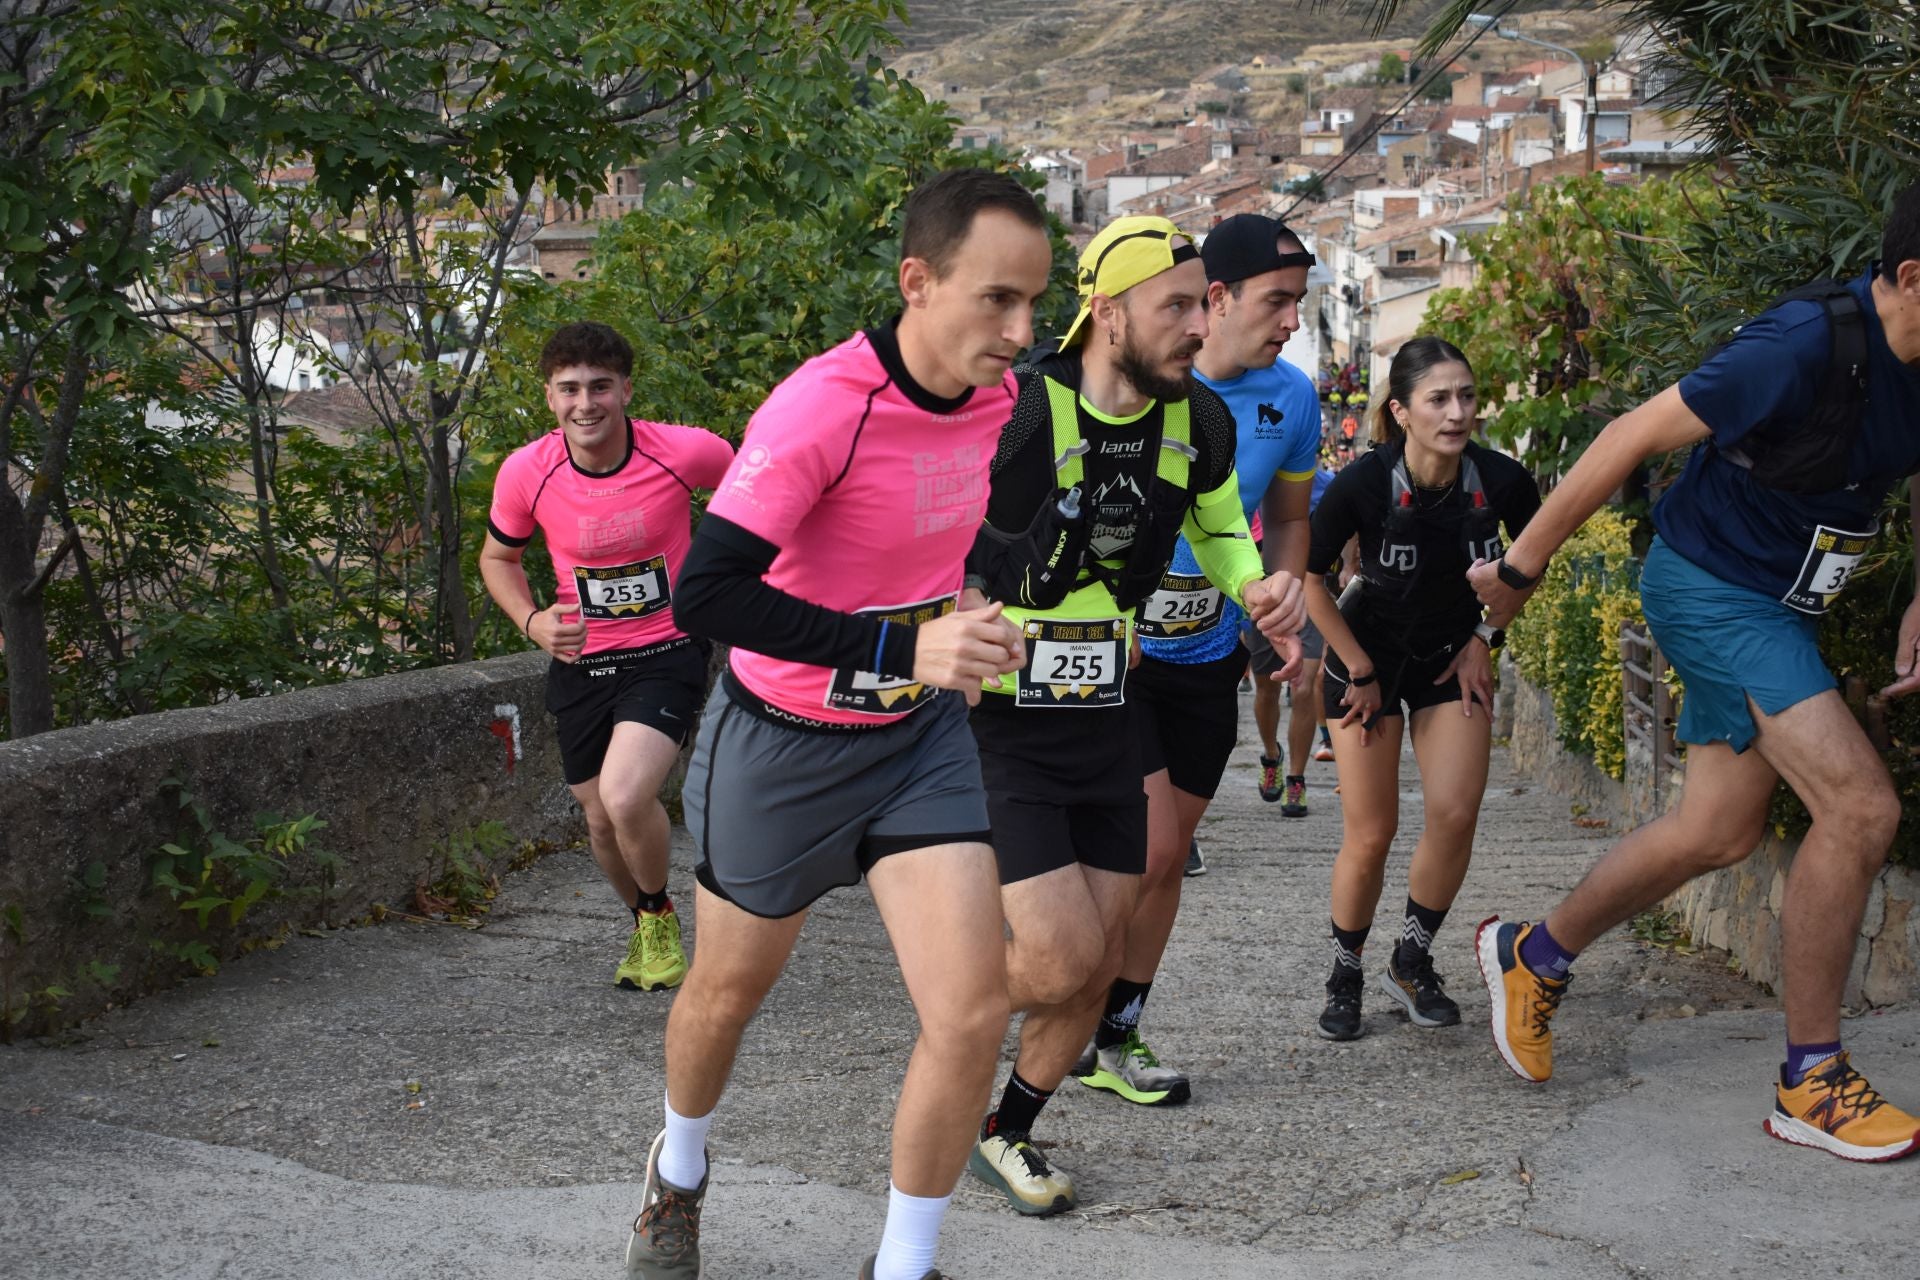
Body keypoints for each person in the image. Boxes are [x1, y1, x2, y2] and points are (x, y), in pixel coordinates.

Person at [621, 168, 1049, 1280]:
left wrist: (965, 610)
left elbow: (961, 533)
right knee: (726, 992)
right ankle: (678, 1171)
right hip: (781, 742)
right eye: (998, 300)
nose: (1021, 330)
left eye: (1034, 303)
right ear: (919, 280)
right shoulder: (825, 404)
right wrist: (906, 645)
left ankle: (903, 1264)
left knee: (972, 1008)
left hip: (916, 741)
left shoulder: (1003, 398)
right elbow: (706, 594)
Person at [1469, 181, 1920, 1162]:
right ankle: (1810, 1077)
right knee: (1861, 808)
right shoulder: (1804, 344)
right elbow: (1628, 434)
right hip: (1712, 586)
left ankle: (1530, 953)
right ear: (1913, 278)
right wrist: (1517, 570)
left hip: (1784, 603)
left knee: (1717, 830)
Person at [963, 213, 1304, 1214]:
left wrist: (1258, 588)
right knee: (1064, 952)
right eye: (1178, 307)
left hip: (1106, 713)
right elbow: (932, 516)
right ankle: (954, 1013)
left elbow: (1221, 527)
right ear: (1106, 311)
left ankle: (1007, 1126)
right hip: (1004, 722)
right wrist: (950, 609)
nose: (1200, 326)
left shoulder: (1200, 422)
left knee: (1102, 958)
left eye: (1203, 304)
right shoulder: (1021, 412)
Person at [1067, 212, 1318, 1111]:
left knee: (1164, 865)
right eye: (1277, 300)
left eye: (1300, 301)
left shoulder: (1292, 398)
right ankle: (1065, 1016)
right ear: (1215, 300)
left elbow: (1285, 521)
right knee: (1150, 846)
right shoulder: (1124, 384)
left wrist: (1281, 591)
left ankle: (1116, 1036)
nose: (1292, 319)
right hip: (1114, 657)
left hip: (1208, 649)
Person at [479, 322, 733, 993]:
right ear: (549, 397)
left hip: (667, 650)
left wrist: (727, 584)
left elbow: (761, 501)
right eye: (569, 388)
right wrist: (532, 620)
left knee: (625, 796)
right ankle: (648, 916)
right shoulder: (527, 471)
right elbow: (498, 557)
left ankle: (656, 921)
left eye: (599, 386)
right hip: (582, 661)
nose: (585, 402)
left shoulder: (686, 452)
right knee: (597, 818)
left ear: (625, 389)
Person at [1305, 336, 1540, 1041]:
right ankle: (1345, 969)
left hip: (1448, 657)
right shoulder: (1362, 482)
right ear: (1401, 411)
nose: (1457, 411)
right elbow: (1311, 583)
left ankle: (1411, 960)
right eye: (1438, 399)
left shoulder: (1503, 481)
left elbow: (1531, 565)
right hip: (1363, 657)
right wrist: (1362, 669)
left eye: (1466, 396)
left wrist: (1484, 639)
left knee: (1456, 810)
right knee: (1372, 832)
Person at [1264, 456, 1341, 815]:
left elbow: (1348, 528)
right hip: (1260, 593)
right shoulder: (1257, 470)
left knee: (1304, 687)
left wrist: (1350, 564)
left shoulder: (1327, 484)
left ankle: (1296, 780)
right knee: (1266, 687)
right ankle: (1271, 756)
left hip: (1307, 591)